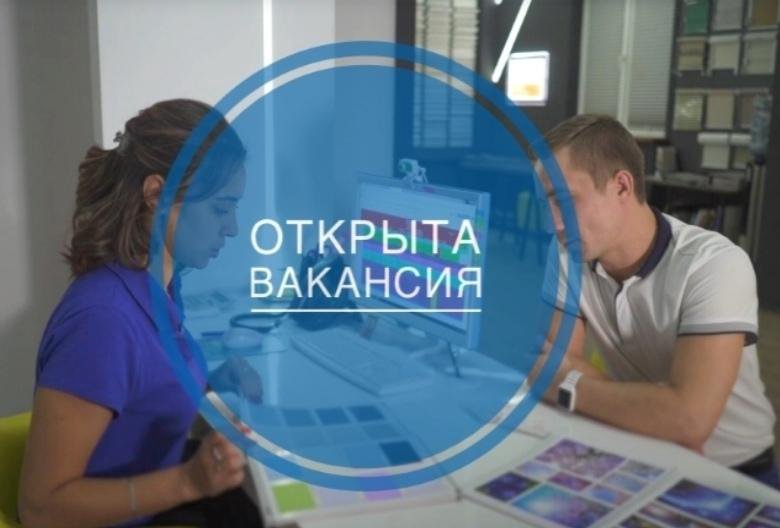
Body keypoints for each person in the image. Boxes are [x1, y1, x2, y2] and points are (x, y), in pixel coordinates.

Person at [18, 99, 264, 527]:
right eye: (221, 208)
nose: (232, 228)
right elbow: (40, 509)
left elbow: (140, 387)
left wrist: (208, 384)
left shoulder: (158, 284)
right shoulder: (102, 322)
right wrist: (188, 482)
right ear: (155, 195)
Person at [533, 114, 778, 489]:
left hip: (732, 468)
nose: (552, 224)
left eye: (563, 201)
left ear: (621, 186)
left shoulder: (714, 264)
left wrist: (566, 387)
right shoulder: (567, 252)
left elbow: (691, 420)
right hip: (635, 445)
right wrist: (659, 415)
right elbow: (555, 362)